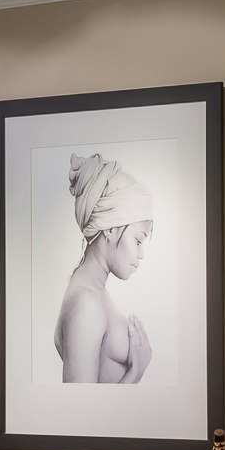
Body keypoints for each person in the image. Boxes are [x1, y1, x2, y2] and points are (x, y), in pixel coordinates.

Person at [53, 152, 155, 383]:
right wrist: (136, 371)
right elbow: (78, 403)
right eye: (138, 240)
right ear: (110, 229)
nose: (141, 254)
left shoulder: (92, 291)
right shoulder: (86, 305)